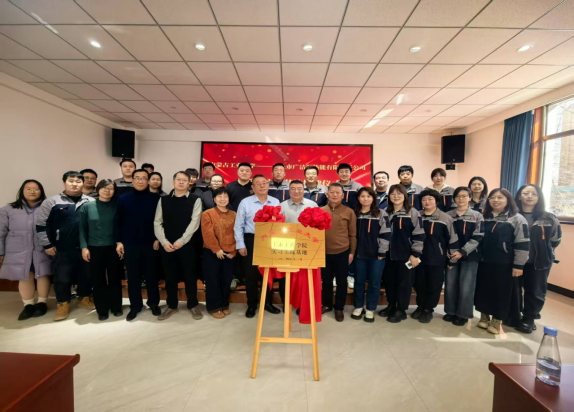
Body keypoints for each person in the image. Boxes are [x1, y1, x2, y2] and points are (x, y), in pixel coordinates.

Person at [35, 171, 95, 321]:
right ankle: (63, 304)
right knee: (62, 277)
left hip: (85, 247)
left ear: (83, 183)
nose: (74, 184)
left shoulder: (90, 201)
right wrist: (47, 244)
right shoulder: (51, 202)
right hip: (61, 247)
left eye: (78, 181)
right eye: (71, 181)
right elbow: (41, 225)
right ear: (64, 183)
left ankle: (84, 298)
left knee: (86, 274)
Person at [475, 188, 530, 335]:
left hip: (505, 263)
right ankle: (484, 316)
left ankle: (497, 319)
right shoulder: (484, 217)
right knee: (483, 289)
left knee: (501, 292)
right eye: (492, 197)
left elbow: (523, 243)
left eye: (500, 197)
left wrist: (519, 265)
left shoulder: (517, 219)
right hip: (484, 261)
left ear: (508, 200)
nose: (496, 200)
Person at [154, 171, 203, 321]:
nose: (181, 182)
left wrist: (182, 241)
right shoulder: (163, 200)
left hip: (188, 245)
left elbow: (195, 223)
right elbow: (157, 222)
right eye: (178, 179)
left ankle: (192, 304)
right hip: (167, 245)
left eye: (184, 180)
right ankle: (172, 305)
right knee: (170, 276)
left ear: (189, 183)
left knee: (190, 276)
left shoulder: (195, 199)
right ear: (173, 181)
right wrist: (163, 242)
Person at [114, 169, 162, 321]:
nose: (140, 181)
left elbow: (162, 221)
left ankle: (153, 303)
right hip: (130, 243)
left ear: (148, 181)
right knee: (133, 277)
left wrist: (158, 238)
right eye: (137, 178)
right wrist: (119, 241)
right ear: (132, 180)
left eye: (143, 178)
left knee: (151, 275)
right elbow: (117, 221)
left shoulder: (156, 198)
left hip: (151, 243)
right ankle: (135, 306)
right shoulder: (123, 198)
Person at [0, 180, 51, 320]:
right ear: (22, 191)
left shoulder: (48, 207)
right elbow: (1, 232)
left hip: (42, 248)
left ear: (41, 191)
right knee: (25, 275)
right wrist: (1, 252)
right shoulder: (8, 209)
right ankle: (28, 305)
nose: (32, 191)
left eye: (36, 189)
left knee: (43, 274)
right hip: (18, 249)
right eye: (28, 188)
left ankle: (42, 303)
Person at [514, 184, 562, 334]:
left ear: (539, 197)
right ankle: (514, 314)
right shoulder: (512, 215)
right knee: (514, 289)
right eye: (526, 193)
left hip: (538, 261)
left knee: (535, 290)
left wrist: (543, 251)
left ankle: (529, 318)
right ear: (519, 196)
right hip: (515, 260)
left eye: (534, 194)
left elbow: (555, 239)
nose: (530, 196)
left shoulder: (548, 218)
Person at [234, 174, 281, 318]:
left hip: (270, 241)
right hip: (251, 240)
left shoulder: (275, 201)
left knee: (267, 274)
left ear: (268, 185)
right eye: (258, 183)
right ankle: (252, 305)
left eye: (264, 183)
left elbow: (280, 223)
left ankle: (267, 303)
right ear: (253, 187)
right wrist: (240, 245)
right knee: (251, 275)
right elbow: (238, 225)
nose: (262, 185)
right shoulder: (245, 202)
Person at [378, 184, 425, 323]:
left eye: (399, 193)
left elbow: (419, 234)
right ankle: (391, 305)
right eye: (393, 194)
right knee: (390, 281)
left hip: (407, 255)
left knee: (404, 283)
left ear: (405, 195)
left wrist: (415, 254)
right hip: (389, 255)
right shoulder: (385, 212)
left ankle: (401, 309)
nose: (396, 196)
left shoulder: (413, 212)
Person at [412, 189, 459, 323]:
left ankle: (428, 309)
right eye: (424, 200)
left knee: (434, 285)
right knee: (419, 284)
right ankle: (420, 306)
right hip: (418, 257)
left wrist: (453, 259)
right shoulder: (417, 215)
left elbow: (453, 239)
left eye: (430, 199)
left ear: (437, 201)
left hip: (437, 257)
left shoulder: (445, 218)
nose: (427, 202)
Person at [79, 179, 123, 321]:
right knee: (98, 280)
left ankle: (116, 307)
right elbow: (82, 229)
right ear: (98, 189)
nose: (107, 191)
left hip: (114, 248)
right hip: (94, 248)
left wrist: (120, 242)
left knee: (115, 278)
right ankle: (102, 309)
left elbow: (122, 226)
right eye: (104, 188)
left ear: (114, 191)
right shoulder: (87, 207)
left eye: (111, 188)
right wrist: (84, 247)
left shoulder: (117, 206)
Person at [445, 187, 484, 326]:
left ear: (469, 198)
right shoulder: (448, 215)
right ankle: (450, 311)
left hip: (470, 256)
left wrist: (462, 251)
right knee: (450, 285)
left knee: (466, 286)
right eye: (458, 196)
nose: (460, 199)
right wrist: (448, 250)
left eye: (464, 196)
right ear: (454, 199)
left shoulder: (477, 215)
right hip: (451, 255)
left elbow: (478, 236)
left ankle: (463, 314)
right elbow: (444, 235)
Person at [351, 187, 390, 323]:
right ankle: (358, 306)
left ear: (373, 198)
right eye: (362, 196)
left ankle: (370, 308)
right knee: (359, 281)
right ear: (358, 198)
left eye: (368, 196)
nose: (365, 199)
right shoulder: (354, 213)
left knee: (374, 282)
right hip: (359, 255)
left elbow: (386, 233)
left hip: (376, 256)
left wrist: (382, 251)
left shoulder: (381, 213)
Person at [321, 183, 357, 322]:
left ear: (342, 195)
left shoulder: (349, 212)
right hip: (324, 252)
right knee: (326, 281)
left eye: (338, 192)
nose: (335, 195)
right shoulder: (320, 211)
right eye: (332, 192)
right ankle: (327, 304)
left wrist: (352, 252)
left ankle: (339, 308)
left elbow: (353, 234)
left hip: (343, 252)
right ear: (327, 194)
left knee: (342, 282)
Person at [201, 187, 237, 319]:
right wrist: (217, 249)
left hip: (229, 253)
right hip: (212, 252)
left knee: (226, 280)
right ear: (214, 199)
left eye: (225, 196)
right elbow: (207, 234)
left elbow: (237, 233)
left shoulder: (234, 214)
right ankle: (214, 307)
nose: (222, 199)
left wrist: (234, 250)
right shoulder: (207, 214)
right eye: (219, 197)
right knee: (213, 280)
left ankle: (224, 304)